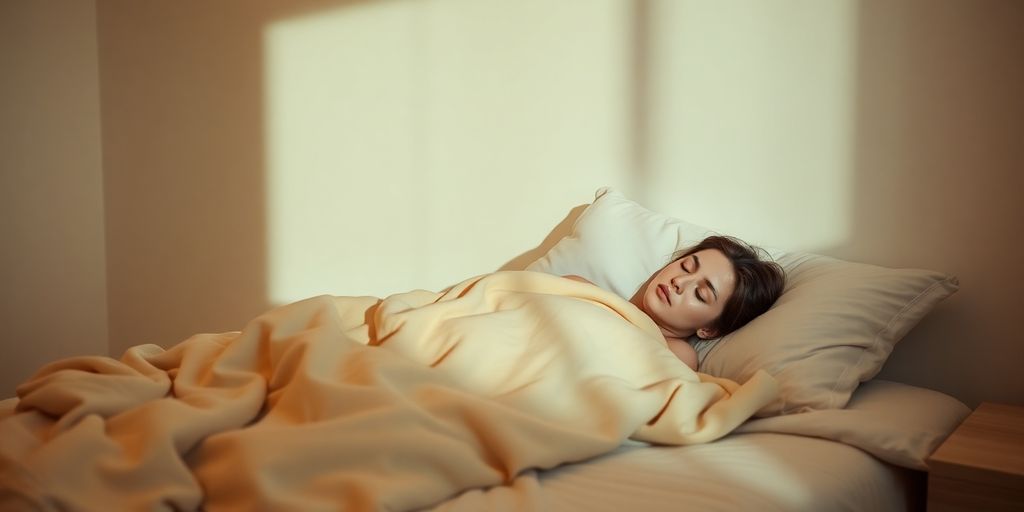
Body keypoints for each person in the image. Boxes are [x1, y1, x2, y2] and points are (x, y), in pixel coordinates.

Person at [565, 235, 785, 371]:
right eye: (686, 267)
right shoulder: (579, 288)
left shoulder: (677, 355)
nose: (679, 281)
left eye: (700, 293)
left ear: (709, 329)